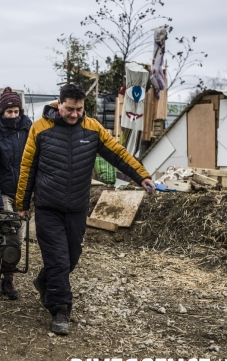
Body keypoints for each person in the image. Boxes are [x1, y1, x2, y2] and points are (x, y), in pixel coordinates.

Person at [16, 83, 156, 335]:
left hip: (77, 207)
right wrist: (22, 205)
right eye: (69, 109)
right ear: (59, 104)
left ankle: (45, 281)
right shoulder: (40, 129)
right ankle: (60, 309)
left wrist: (141, 176)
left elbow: (117, 153)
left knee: (71, 257)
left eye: (79, 109)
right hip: (48, 206)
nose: (74, 114)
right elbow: (27, 168)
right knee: (58, 260)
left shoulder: (92, 128)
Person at [0, 87, 31, 300]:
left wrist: (30, 194)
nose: (13, 116)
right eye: (9, 112)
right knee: (2, 235)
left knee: (18, 237)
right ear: (2, 112)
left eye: (16, 112)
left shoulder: (28, 128)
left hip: (23, 192)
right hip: (1, 190)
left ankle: (8, 278)